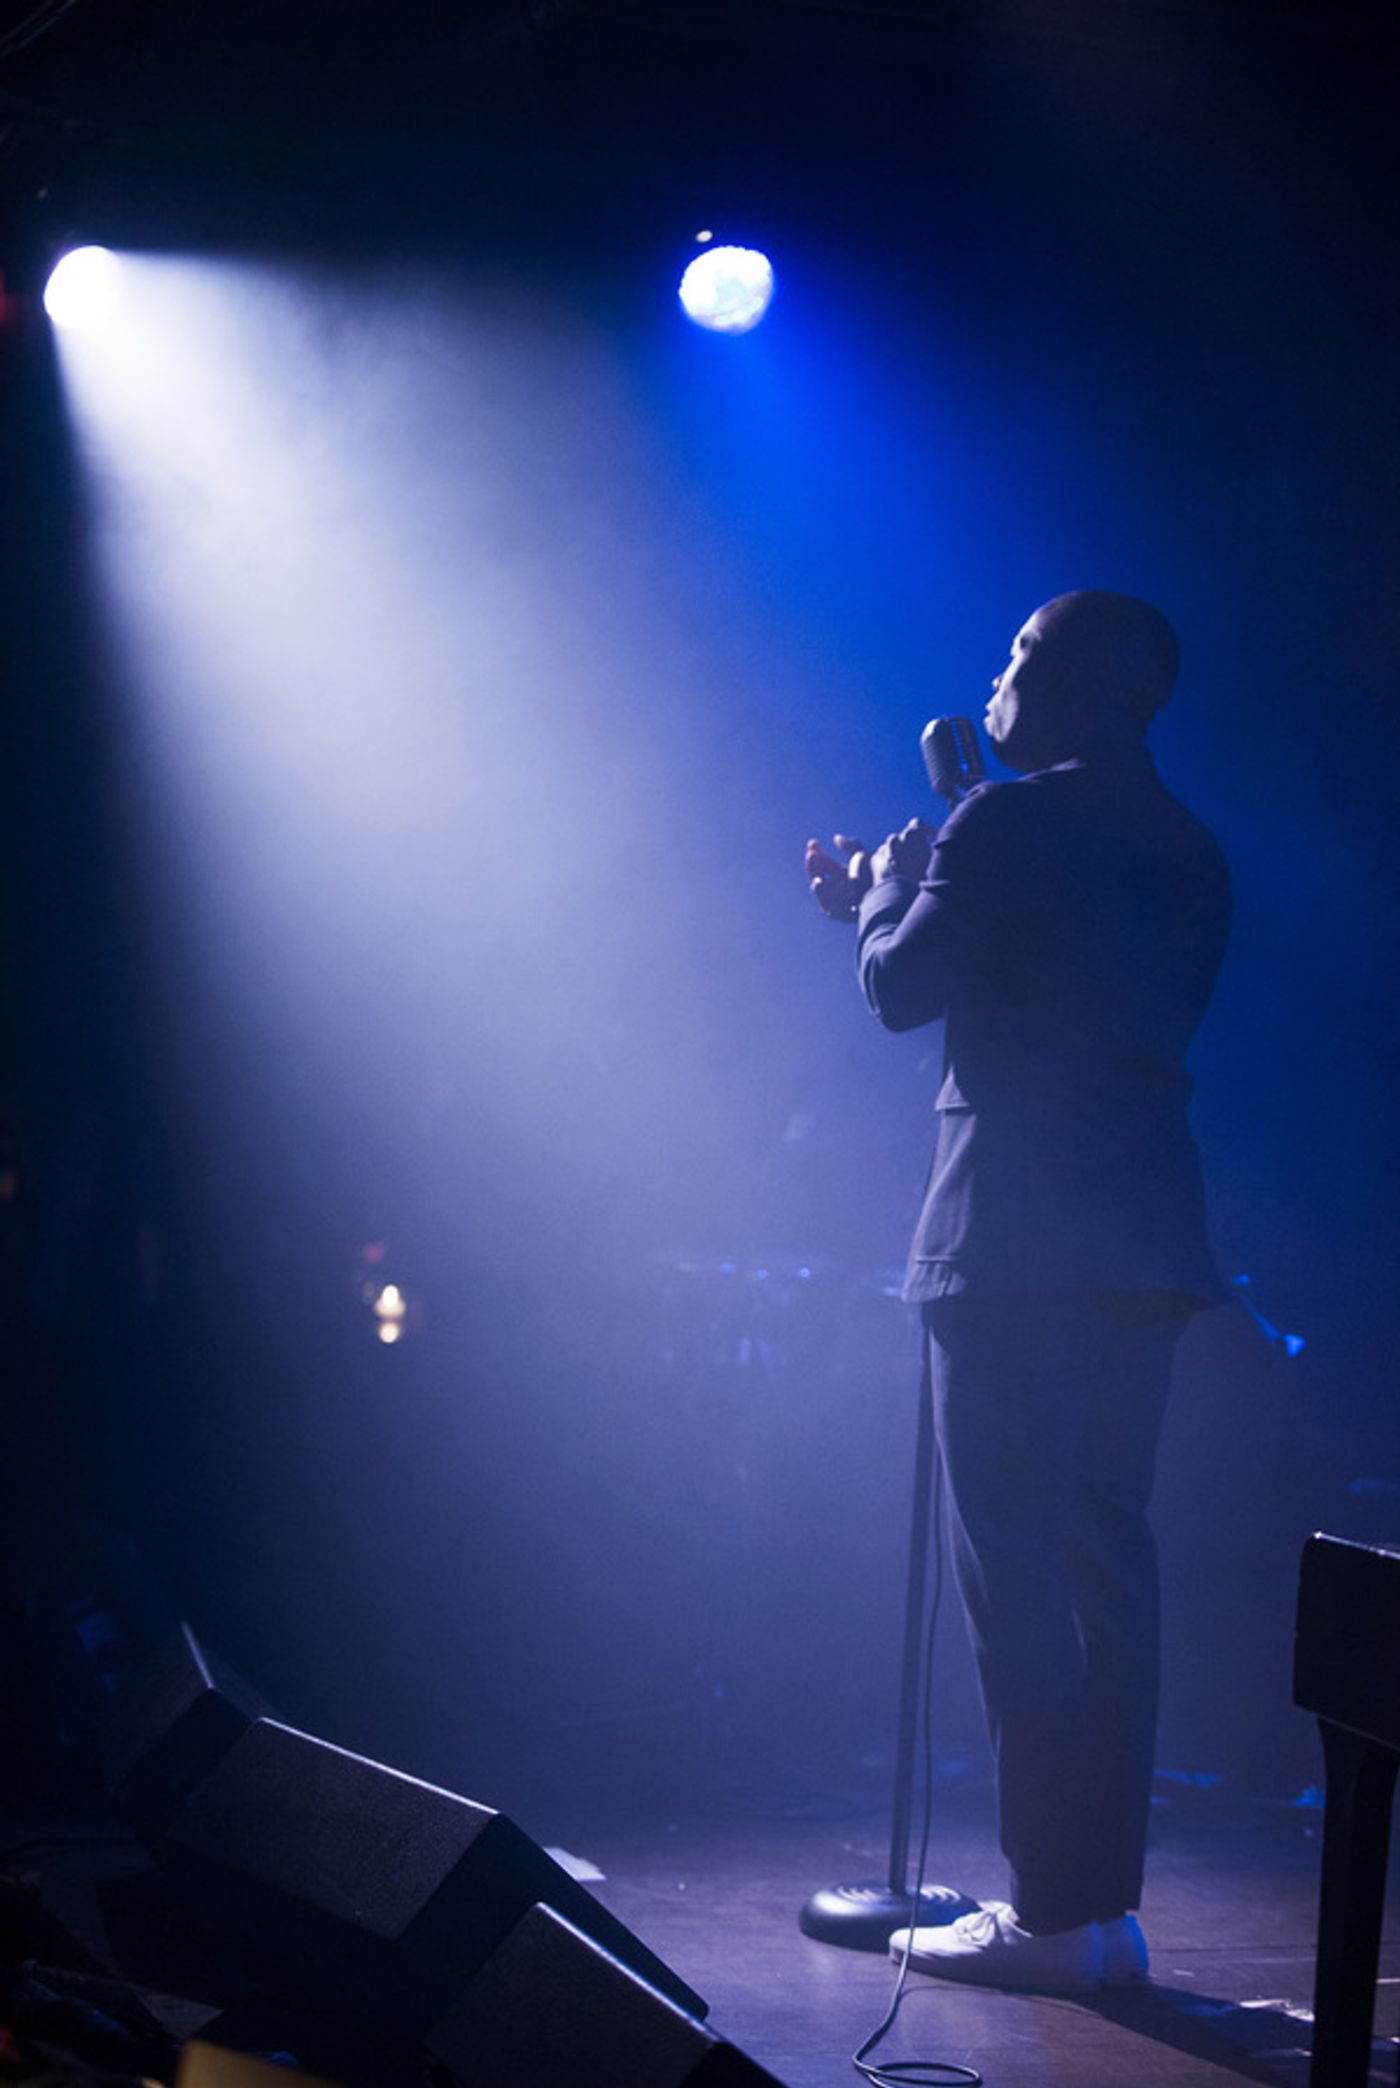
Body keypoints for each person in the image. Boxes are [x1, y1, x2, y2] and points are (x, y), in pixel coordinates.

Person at [805, 591, 1231, 1995]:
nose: (999, 674)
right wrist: (935, 875)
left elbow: (897, 989)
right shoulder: (1191, 847)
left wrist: (885, 888)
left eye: (1021, 656)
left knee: (1017, 1582)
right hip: (1145, 1243)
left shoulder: (1001, 821)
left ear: (1091, 686)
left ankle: (1050, 1918)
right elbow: (1071, 983)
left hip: (1009, 1246)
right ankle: (1102, 1916)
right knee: (1109, 1572)